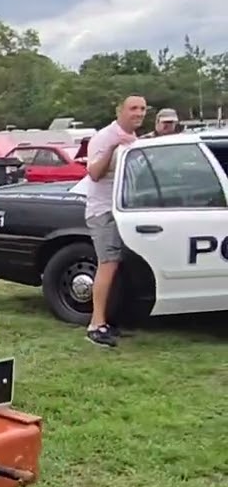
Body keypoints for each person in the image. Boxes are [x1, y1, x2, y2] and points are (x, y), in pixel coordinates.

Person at [82, 95, 146, 347]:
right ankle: (95, 325)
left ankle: (111, 320)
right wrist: (112, 147)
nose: (138, 113)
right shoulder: (105, 137)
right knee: (107, 264)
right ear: (120, 110)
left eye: (142, 108)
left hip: (124, 211)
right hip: (103, 211)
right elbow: (94, 174)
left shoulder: (134, 139)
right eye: (133, 108)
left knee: (119, 264)